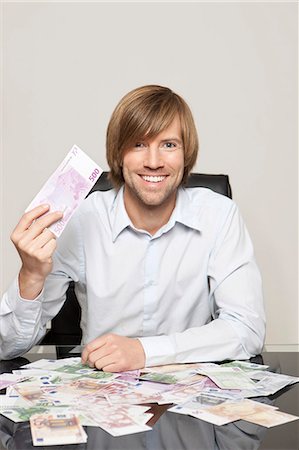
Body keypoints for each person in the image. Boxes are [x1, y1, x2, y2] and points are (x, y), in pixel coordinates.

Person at [0, 85, 266, 370]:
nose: (153, 162)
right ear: (118, 152)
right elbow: (9, 347)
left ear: (186, 153)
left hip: (188, 397)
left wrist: (145, 351)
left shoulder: (219, 215)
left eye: (169, 145)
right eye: (138, 144)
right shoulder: (82, 219)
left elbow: (247, 329)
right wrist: (30, 276)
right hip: (99, 396)